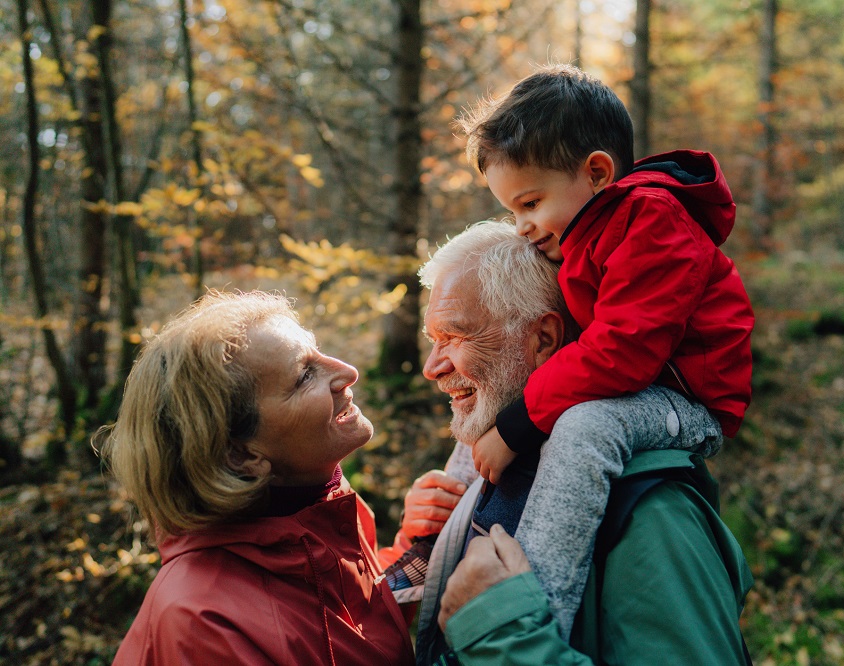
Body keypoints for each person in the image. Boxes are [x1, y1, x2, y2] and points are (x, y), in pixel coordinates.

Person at [440, 63, 755, 634]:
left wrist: (517, 428)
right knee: (492, 394)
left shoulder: (654, 222)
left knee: (585, 427)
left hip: (686, 403)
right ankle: (443, 531)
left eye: (530, 204)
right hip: (641, 386)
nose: (523, 227)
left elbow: (623, 351)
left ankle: (539, 606)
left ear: (598, 172)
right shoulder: (587, 232)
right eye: (512, 210)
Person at [401, 221, 753, 664]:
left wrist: (499, 628)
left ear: (544, 339)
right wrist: (429, 536)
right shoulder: (496, 461)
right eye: (433, 341)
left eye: (454, 337)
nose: (431, 367)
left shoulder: (650, 512)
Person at [97, 290, 415, 665]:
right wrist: (481, 625)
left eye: (318, 351)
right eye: (304, 375)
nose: (348, 372)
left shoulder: (319, 509)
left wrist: (417, 545)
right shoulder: (203, 623)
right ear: (242, 455)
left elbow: (348, 628)